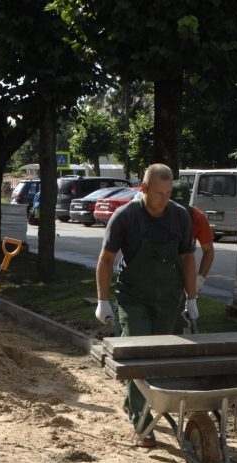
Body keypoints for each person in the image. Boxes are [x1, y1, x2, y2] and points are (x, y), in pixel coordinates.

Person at [94, 164, 197, 447]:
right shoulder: (125, 217)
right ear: (144, 189)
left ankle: (132, 403)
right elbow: (106, 259)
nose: (165, 199)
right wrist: (103, 301)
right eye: (159, 193)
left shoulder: (180, 217)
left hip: (169, 299)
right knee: (139, 353)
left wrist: (192, 297)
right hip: (134, 297)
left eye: (169, 192)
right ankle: (141, 422)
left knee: (161, 358)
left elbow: (188, 258)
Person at [170, 179, 215, 309]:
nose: (179, 210)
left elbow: (208, 251)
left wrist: (200, 278)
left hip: (185, 272)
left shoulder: (198, 217)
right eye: (175, 205)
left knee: (186, 318)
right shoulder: (159, 215)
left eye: (182, 206)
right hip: (162, 273)